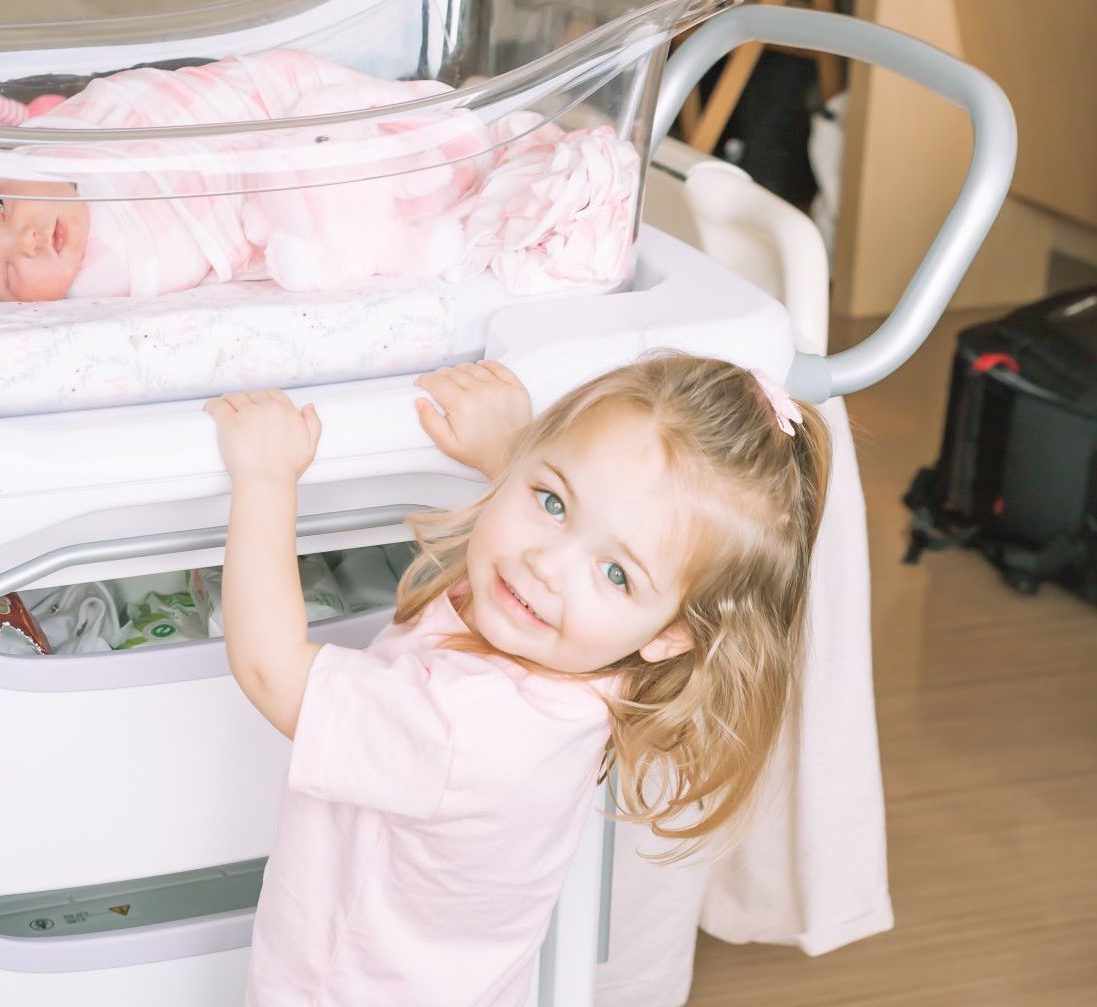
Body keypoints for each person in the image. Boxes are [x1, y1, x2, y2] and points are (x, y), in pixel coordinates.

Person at [203, 352, 831, 1006]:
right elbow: (600, 521)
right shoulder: (594, 657)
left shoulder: (462, 728)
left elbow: (270, 668)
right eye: (553, 499)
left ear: (670, 633)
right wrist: (511, 450)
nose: (543, 564)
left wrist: (266, 477)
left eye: (615, 573)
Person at [0, 46, 641, 309]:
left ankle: (474, 136)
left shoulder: (49, 138)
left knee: (371, 116)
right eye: (11, 272)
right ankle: (471, 176)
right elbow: (228, 237)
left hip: (269, 101)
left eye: (4, 204)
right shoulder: (110, 279)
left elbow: (16, 112)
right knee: (359, 189)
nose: (32, 236)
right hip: (276, 178)